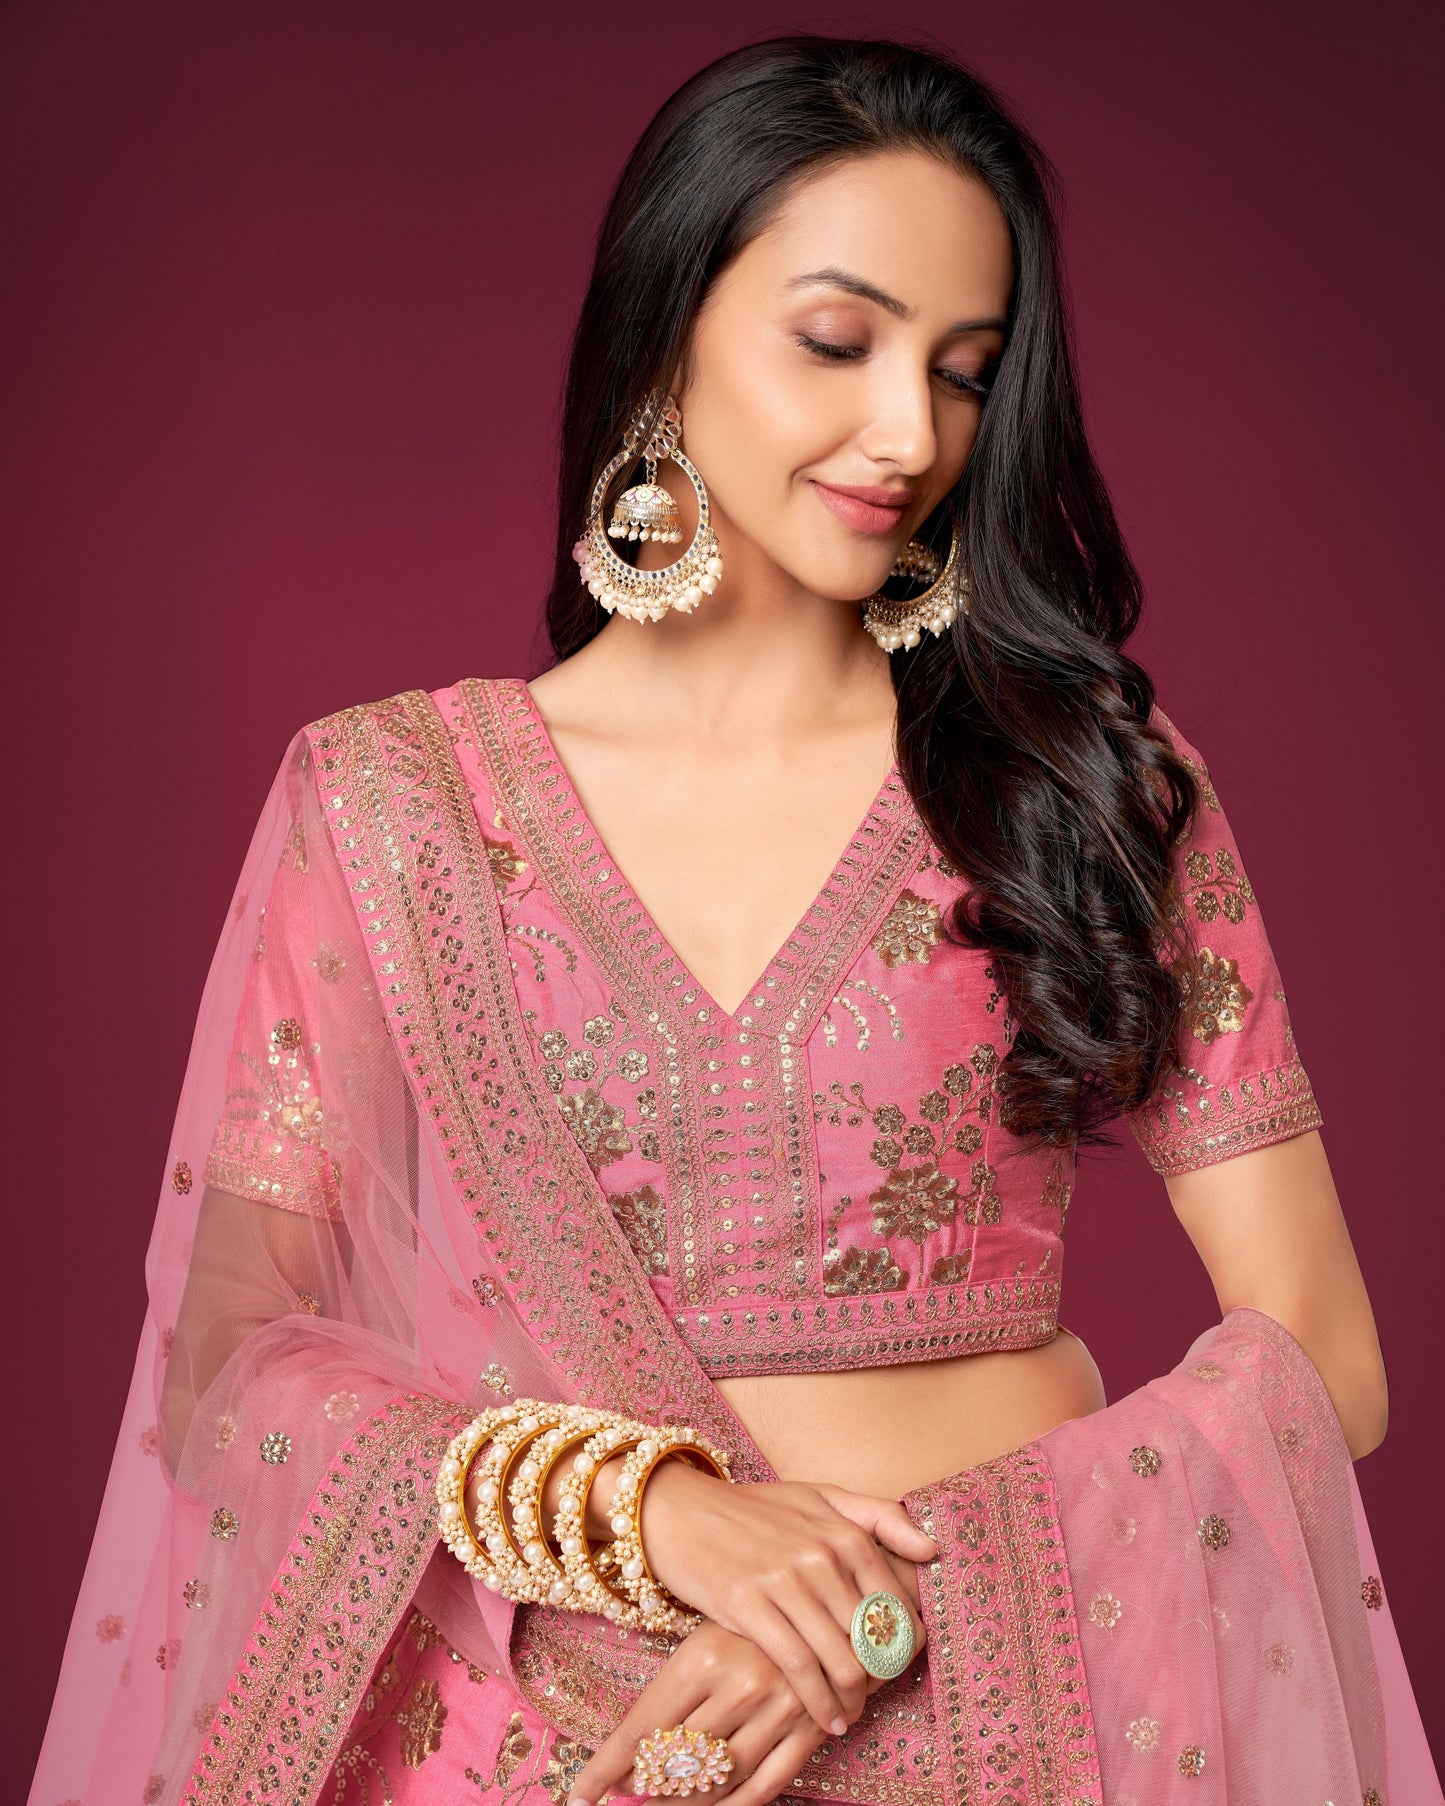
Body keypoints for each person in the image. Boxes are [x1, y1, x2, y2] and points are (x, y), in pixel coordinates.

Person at [30, 34, 1440, 1806]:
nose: (908, 433)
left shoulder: (1083, 782)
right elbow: (226, 1368)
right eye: (835, 344)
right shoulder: (393, 804)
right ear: (667, 322)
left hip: (1014, 1719)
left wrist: (877, 1610)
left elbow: (1323, 1354)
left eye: (963, 370)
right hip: (534, 1739)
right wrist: (654, 1513)